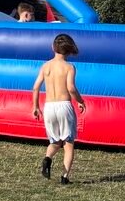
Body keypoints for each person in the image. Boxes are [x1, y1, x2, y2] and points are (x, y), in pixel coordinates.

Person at [32, 33, 86, 185]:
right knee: (68, 144)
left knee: (55, 141)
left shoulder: (46, 66)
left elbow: (35, 88)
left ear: (52, 47)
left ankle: (47, 159)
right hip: (64, 106)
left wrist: (35, 106)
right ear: (69, 50)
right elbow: (71, 88)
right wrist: (80, 101)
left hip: (49, 107)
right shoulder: (69, 67)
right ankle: (64, 177)